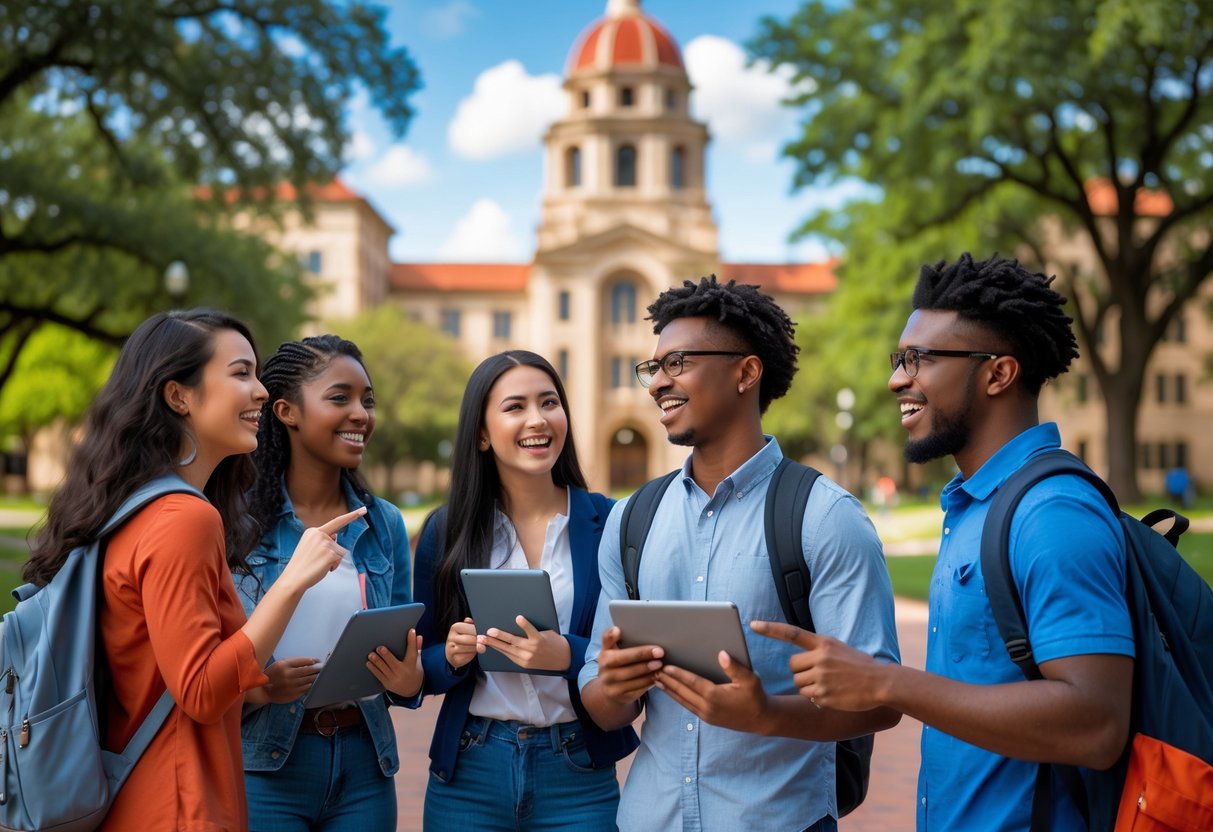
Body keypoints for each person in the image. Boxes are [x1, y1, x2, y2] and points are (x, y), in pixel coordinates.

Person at [756, 254, 1134, 830]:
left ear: (997, 374)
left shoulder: (1051, 513)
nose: (896, 379)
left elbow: (1096, 724)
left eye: (920, 359)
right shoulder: (975, 504)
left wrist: (885, 682)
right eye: (898, 359)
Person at [579, 275, 901, 832]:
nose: (657, 384)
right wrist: (611, 685)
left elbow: (881, 699)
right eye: (652, 369)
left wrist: (766, 714)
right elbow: (603, 703)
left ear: (745, 373)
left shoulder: (826, 518)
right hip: (648, 819)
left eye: (676, 362)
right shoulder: (630, 520)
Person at [24, 309, 362, 831]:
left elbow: (158, 668)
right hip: (180, 803)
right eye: (241, 373)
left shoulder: (135, 506)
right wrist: (294, 580)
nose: (261, 392)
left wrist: (259, 689)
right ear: (178, 395)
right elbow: (200, 691)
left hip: (142, 795)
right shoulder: (184, 518)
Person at [413, 350, 639, 831]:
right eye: (515, 407)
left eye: (549, 402)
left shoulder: (611, 523)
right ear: (480, 432)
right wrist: (452, 656)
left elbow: (632, 648)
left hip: (577, 770)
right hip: (469, 771)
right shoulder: (447, 529)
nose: (537, 419)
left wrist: (566, 655)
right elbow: (422, 664)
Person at [237, 335, 422, 831]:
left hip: (365, 764)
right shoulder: (237, 521)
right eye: (339, 398)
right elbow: (202, 655)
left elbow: (404, 646)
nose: (361, 413)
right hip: (266, 765)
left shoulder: (383, 523)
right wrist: (257, 688)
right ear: (286, 411)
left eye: (367, 400)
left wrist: (409, 681)